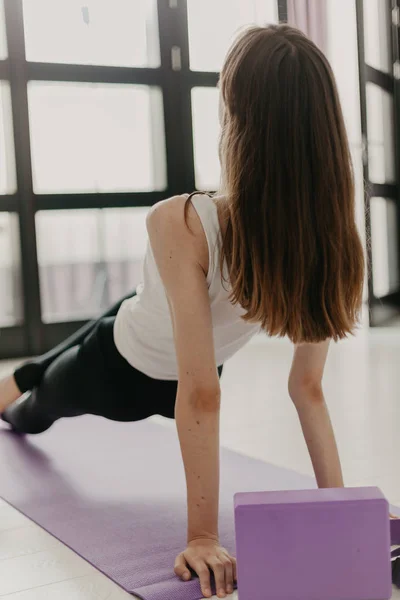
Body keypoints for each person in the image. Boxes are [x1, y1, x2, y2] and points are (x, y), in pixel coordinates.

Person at [0, 24, 364, 599]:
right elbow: (297, 389)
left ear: (237, 120)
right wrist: (202, 534)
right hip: (128, 346)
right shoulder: (316, 237)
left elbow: (216, 393)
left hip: (127, 363)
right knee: (38, 395)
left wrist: (336, 513)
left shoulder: (196, 223)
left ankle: (14, 387)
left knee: (44, 392)